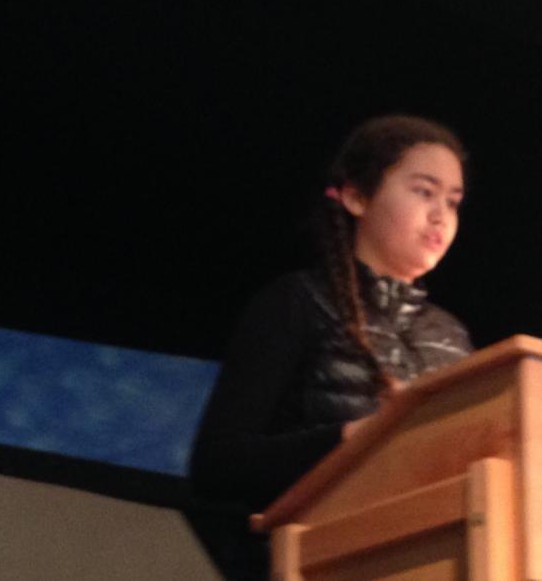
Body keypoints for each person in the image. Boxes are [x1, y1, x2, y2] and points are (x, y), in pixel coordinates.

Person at [189, 114, 474, 516]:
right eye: (424, 192)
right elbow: (216, 465)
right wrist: (353, 437)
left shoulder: (453, 338)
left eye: (452, 202)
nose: (440, 215)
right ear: (356, 197)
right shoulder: (296, 302)